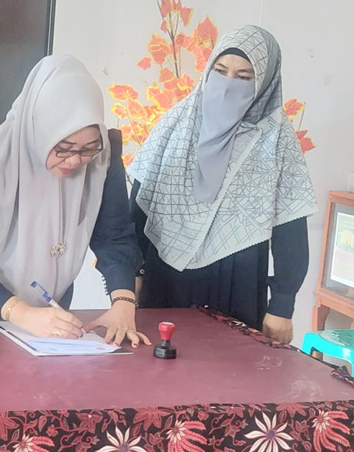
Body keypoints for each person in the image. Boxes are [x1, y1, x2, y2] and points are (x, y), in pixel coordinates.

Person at [0, 55, 148, 348]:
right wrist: (23, 314)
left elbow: (114, 237)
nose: (75, 161)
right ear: (39, 130)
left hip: (51, 312)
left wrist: (123, 301)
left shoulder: (102, 158)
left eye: (87, 149)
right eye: (63, 147)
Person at [129, 26, 317, 343]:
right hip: (165, 277)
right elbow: (138, 206)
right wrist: (131, 275)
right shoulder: (176, 123)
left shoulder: (276, 139)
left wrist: (282, 305)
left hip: (237, 282)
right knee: (159, 366)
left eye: (243, 77)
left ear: (264, 83)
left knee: (230, 369)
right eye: (220, 71)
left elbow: (291, 227)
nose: (228, 83)